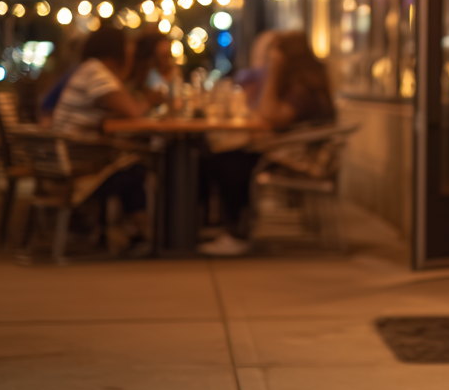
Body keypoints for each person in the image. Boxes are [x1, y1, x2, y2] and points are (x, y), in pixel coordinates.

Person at [197, 30, 336, 257]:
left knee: (230, 162)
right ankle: (225, 227)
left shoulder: (302, 90)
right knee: (223, 158)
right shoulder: (303, 85)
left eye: (274, 52)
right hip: (291, 152)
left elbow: (268, 114)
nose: (269, 56)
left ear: (285, 56)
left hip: (300, 159)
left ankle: (236, 233)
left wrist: (273, 72)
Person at [50, 23, 166, 254]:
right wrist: (151, 99)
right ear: (116, 51)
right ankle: (144, 233)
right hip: (76, 167)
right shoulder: (96, 73)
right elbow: (134, 111)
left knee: (132, 165)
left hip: (65, 160)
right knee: (136, 170)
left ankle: (139, 234)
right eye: (127, 48)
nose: (130, 51)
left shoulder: (89, 70)